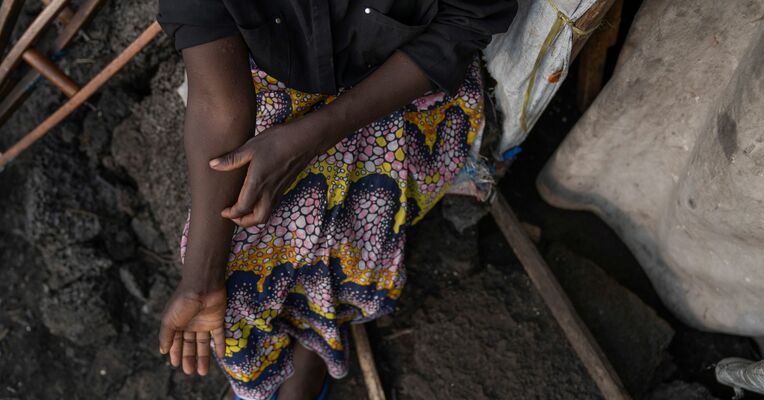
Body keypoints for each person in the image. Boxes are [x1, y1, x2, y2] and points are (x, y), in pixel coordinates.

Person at [154, 1, 517, 399]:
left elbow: (464, 23)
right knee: (228, 273)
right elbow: (216, 102)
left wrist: (314, 138)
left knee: (358, 230)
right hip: (274, 87)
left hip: (407, 93)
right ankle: (282, 354)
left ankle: (320, 335)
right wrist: (201, 279)